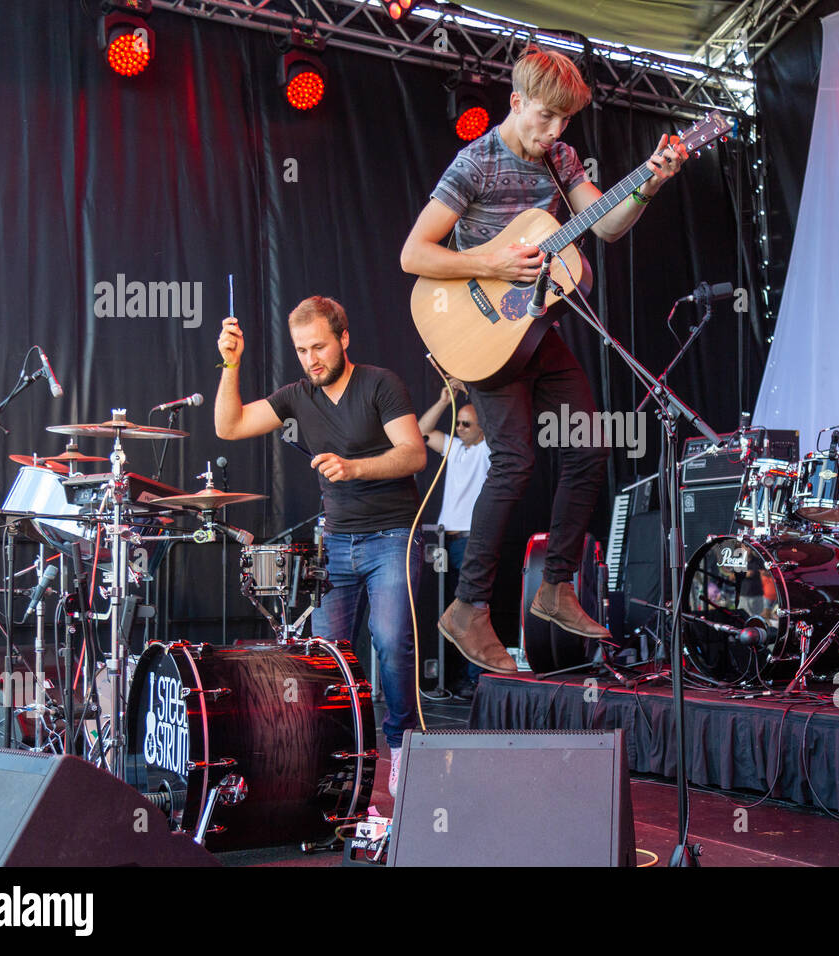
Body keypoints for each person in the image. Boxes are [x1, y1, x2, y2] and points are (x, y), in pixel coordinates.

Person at [400, 45, 687, 674]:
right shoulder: (473, 163)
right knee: (516, 461)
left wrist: (649, 182)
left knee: (589, 445)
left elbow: (605, 226)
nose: (556, 131)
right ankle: (467, 607)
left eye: (565, 121)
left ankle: (556, 588)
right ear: (515, 101)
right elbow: (414, 254)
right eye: (546, 117)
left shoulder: (559, 158)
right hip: (484, 332)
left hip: (536, 327)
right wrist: (491, 263)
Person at [213, 296, 426, 798]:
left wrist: (354, 468)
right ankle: (343, 757)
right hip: (336, 543)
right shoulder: (297, 395)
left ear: (344, 339)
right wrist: (230, 364)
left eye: (320, 346)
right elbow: (229, 426)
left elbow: (414, 453)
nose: (312, 359)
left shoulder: (381, 384)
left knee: (393, 644)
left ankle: (403, 749)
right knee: (328, 657)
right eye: (302, 349)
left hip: (393, 536)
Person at [419, 379, 490, 697]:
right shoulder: (456, 447)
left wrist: (471, 391)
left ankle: (476, 679)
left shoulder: (488, 450)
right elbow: (420, 432)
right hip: (445, 541)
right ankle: (457, 678)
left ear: (482, 427)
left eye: (466, 424)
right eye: (457, 423)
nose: (459, 428)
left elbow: (493, 418)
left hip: (472, 540)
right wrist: (444, 401)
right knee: (450, 610)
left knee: (472, 606)